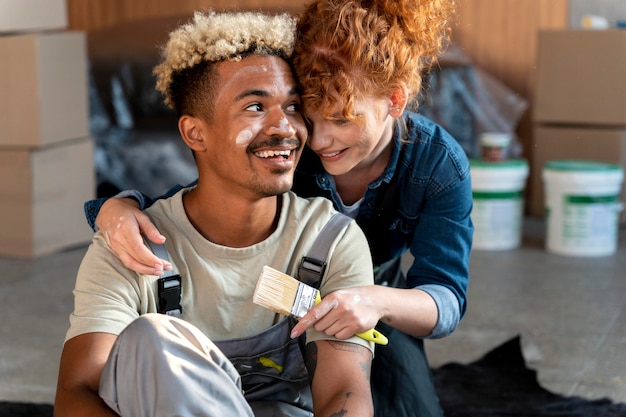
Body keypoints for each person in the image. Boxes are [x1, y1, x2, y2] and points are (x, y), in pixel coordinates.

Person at [85, 0, 472, 415]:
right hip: (296, 290)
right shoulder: (289, 142)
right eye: (309, 114)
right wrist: (116, 208)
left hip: (382, 294)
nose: (319, 141)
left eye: (342, 120)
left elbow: (446, 299)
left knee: (406, 404)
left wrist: (375, 301)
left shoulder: (438, 167)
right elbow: (208, 190)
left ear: (394, 101)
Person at [55, 10, 376, 417]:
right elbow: (76, 393)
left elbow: (344, 394)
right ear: (195, 133)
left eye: (293, 106)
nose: (285, 127)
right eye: (256, 107)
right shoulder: (131, 246)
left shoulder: (330, 240)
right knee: (150, 339)